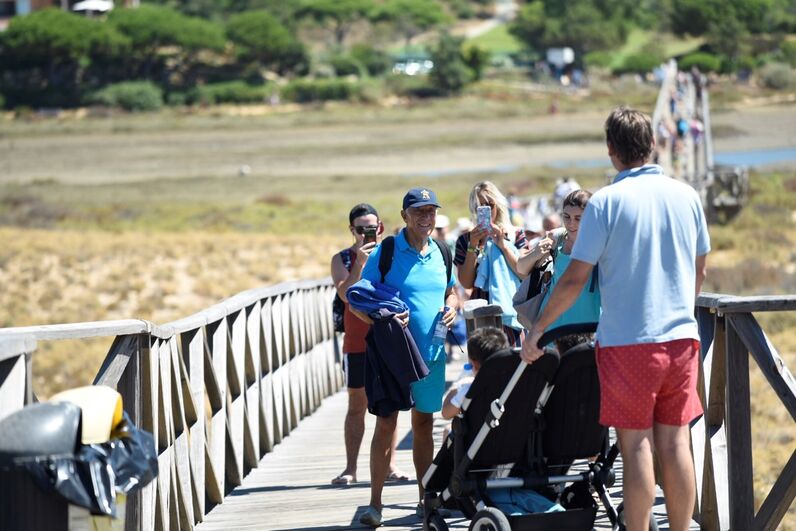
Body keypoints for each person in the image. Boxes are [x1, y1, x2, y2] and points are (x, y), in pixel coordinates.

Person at [522, 107, 710, 531]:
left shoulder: (606, 202)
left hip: (629, 342)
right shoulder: (687, 196)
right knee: (677, 442)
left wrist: (539, 329)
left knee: (636, 446)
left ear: (612, 151)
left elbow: (574, 279)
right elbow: (700, 270)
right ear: (654, 144)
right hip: (682, 339)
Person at [355, 188, 458, 527]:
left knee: (424, 424)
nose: (426, 218)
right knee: (386, 424)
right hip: (391, 355)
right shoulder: (386, 251)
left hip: (431, 354)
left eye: (431, 212)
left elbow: (452, 292)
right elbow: (358, 299)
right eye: (419, 212)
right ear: (404, 216)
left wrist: (453, 309)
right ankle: (375, 505)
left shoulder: (442, 251)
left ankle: (423, 500)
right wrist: (381, 318)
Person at [330, 204, 407, 486]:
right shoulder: (342, 259)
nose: (366, 233)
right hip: (356, 343)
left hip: (388, 338)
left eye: (371, 228)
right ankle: (351, 468)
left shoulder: (391, 254)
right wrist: (360, 264)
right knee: (356, 405)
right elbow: (345, 294)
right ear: (352, 230)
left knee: (391, 405)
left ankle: (390, 465)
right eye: (360, 229)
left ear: (381, 227)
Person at [517, 189, 600, 338]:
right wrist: (536, 253)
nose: (571, 223)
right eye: (566, 217)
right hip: (553, 323)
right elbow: (521, 268)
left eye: (578, 218)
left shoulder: (600, 243)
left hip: (588, 323)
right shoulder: (557, 238)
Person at [454, 181, 527, 345]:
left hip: (512, 307)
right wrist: (473, 245)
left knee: (517, 362)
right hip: (481, 311)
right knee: (485, 364)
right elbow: (466, 283)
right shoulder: (465, 240)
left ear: (498, 205)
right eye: (479, 206)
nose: (485, 209)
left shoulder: (516, 234)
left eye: (489, 205)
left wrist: (503, 244)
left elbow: (523, 271)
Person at [441, 326, 508, 420]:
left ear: (474, 363)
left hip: (479, 433)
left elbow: (445, 413)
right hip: (509, 431)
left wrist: (456, 386)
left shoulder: (469, 388)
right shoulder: (511, 383)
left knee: (447, 430)